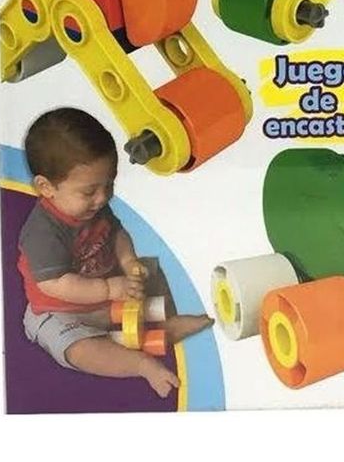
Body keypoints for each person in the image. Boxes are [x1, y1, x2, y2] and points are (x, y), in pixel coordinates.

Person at [18, 107, 212, 397]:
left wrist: (129, 261)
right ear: (46, 187)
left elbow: (117, 234)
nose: (102, 198)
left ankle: (167, 324)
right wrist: (108, 289)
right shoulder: (42, 232)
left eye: (108, 185)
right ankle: (139, 364)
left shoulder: (94, 207)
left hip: (109, 292)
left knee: (148, 269)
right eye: (89, 192)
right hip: (61, 311)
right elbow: (56, 283)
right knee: (77, 349)